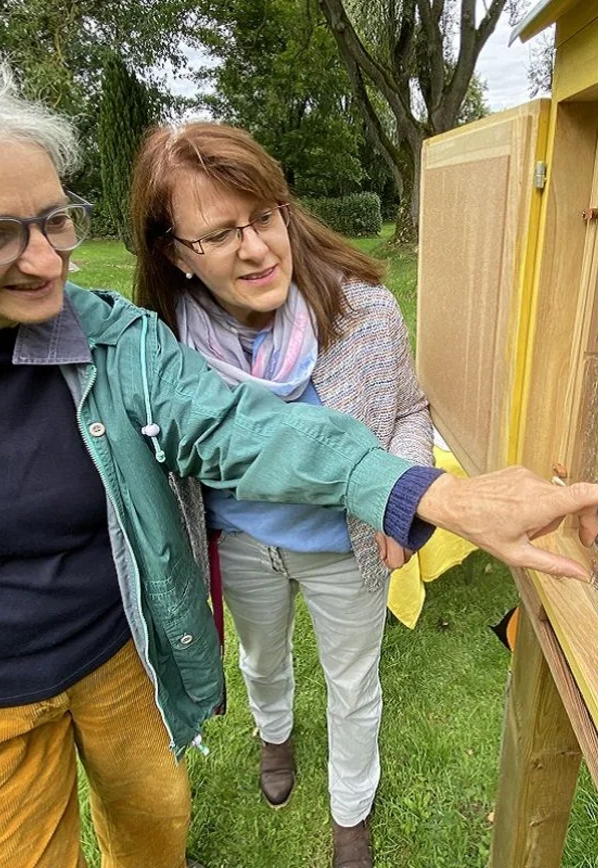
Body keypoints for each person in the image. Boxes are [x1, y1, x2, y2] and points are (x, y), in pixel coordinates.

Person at [0, 60, 598, 868]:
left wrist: (424, 491)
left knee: (154, 825)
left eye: (56, 219)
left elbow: (245, 429)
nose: (49, 261)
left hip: (123, 661)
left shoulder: (114, 342)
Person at [128, 122, 427, 868]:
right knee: (261, 664)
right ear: (176, 255)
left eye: (264, 216)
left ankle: (351, 813)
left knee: (354, 685)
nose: (258, 248)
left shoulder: (364, 313)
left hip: (344, 548)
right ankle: (275, 735)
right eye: (222, 233)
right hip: (243, 548)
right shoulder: (160, 350)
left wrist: (407, 491)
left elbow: (412, 413)